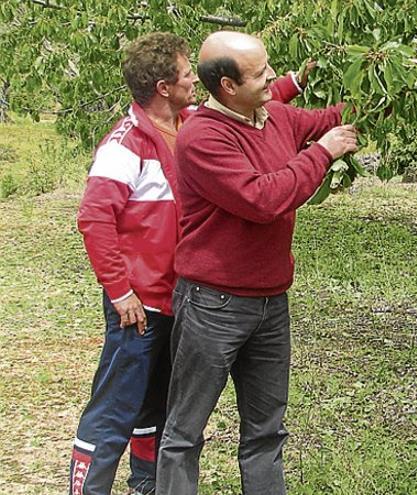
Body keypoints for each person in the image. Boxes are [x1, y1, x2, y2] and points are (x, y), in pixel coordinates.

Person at [72, 32, 313, 495]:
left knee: (159, 408)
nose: (196, 81)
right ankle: (88, 487)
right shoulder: (126, 144)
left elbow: (249, 102)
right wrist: (120, 291)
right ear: (165, 87)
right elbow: (94, 217)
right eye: (188, 75)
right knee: (116, 408)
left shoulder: (190, 123)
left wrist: (293, 82)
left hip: (181, 297)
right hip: (141, 303)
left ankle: (147, 485)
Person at [155, 31, 358, 495]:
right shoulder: (202, 137)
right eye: (261, 72)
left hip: (270, 302)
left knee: (266, 431)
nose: (274, 77)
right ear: (227, 85)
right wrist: (322, 152)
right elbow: (263, 198)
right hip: (214, 305)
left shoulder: (272, 115)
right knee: (184, 433)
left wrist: (395, 88)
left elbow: (330, 117)